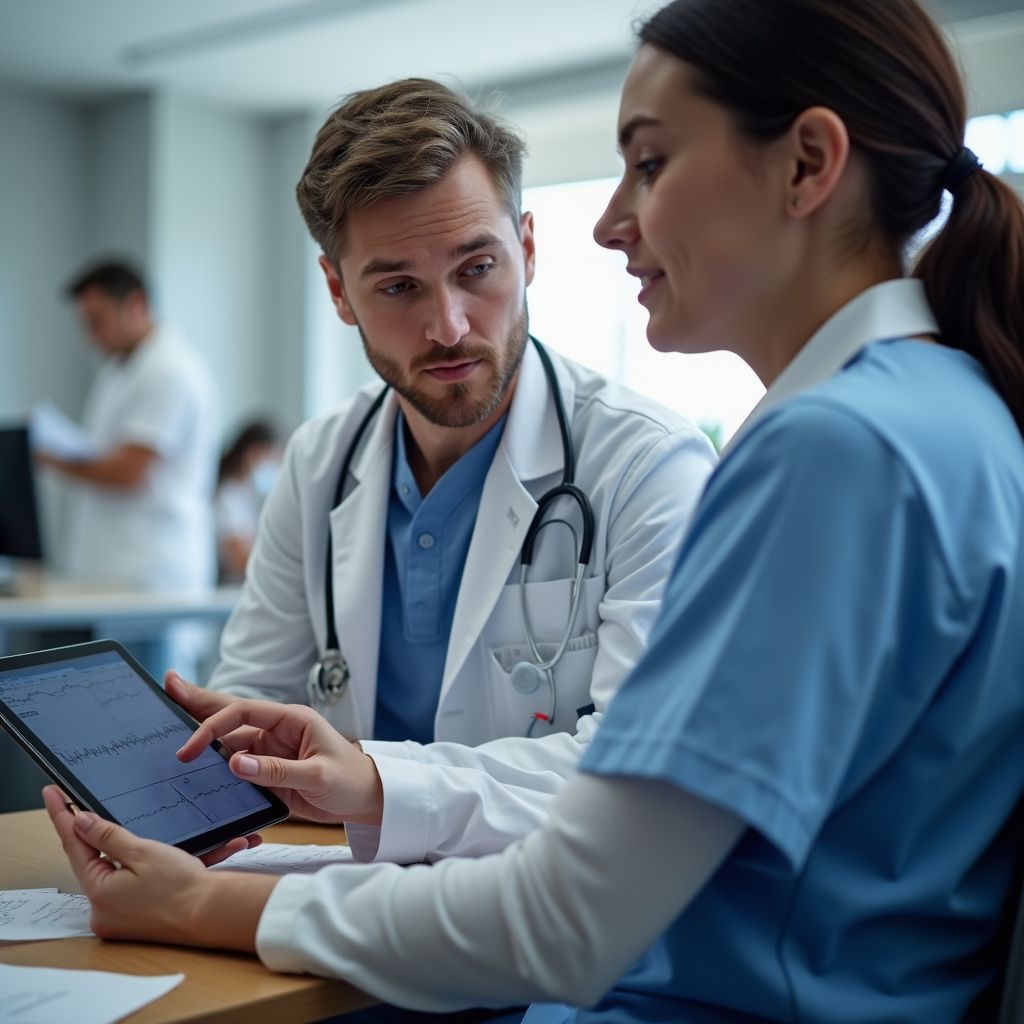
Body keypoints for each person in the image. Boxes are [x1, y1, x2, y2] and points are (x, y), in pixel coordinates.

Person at [46, 0, 1024, 1020]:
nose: (609, 221)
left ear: (807, 164)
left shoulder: (830, 451)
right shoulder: (944, 408)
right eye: (397, 287)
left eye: (649, 163)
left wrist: (210, 905)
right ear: (340, 293)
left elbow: (571, 912)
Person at [200, 78, 717, 867]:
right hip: (354, 908)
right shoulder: (319, 464)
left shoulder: (647, 465)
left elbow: (638, 775)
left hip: (555, 936)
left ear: (530, 250)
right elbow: (251, 710)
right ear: (339, 291)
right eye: (399, 286)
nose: (448, 326)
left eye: (477, 268)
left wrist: (379, 785)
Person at [42, 261, 218, 592]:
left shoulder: (169, 370)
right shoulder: (120, 369)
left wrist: (53, 458)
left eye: (98, 322)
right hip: (112, 570)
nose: (91, 337)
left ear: (136, 305)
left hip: (150, 574)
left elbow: (131, 471)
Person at [214, 419, 280, 583]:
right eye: (272, 456)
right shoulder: (227, 497)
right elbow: (240, 560)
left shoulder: (244, 493)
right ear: (253, 453)